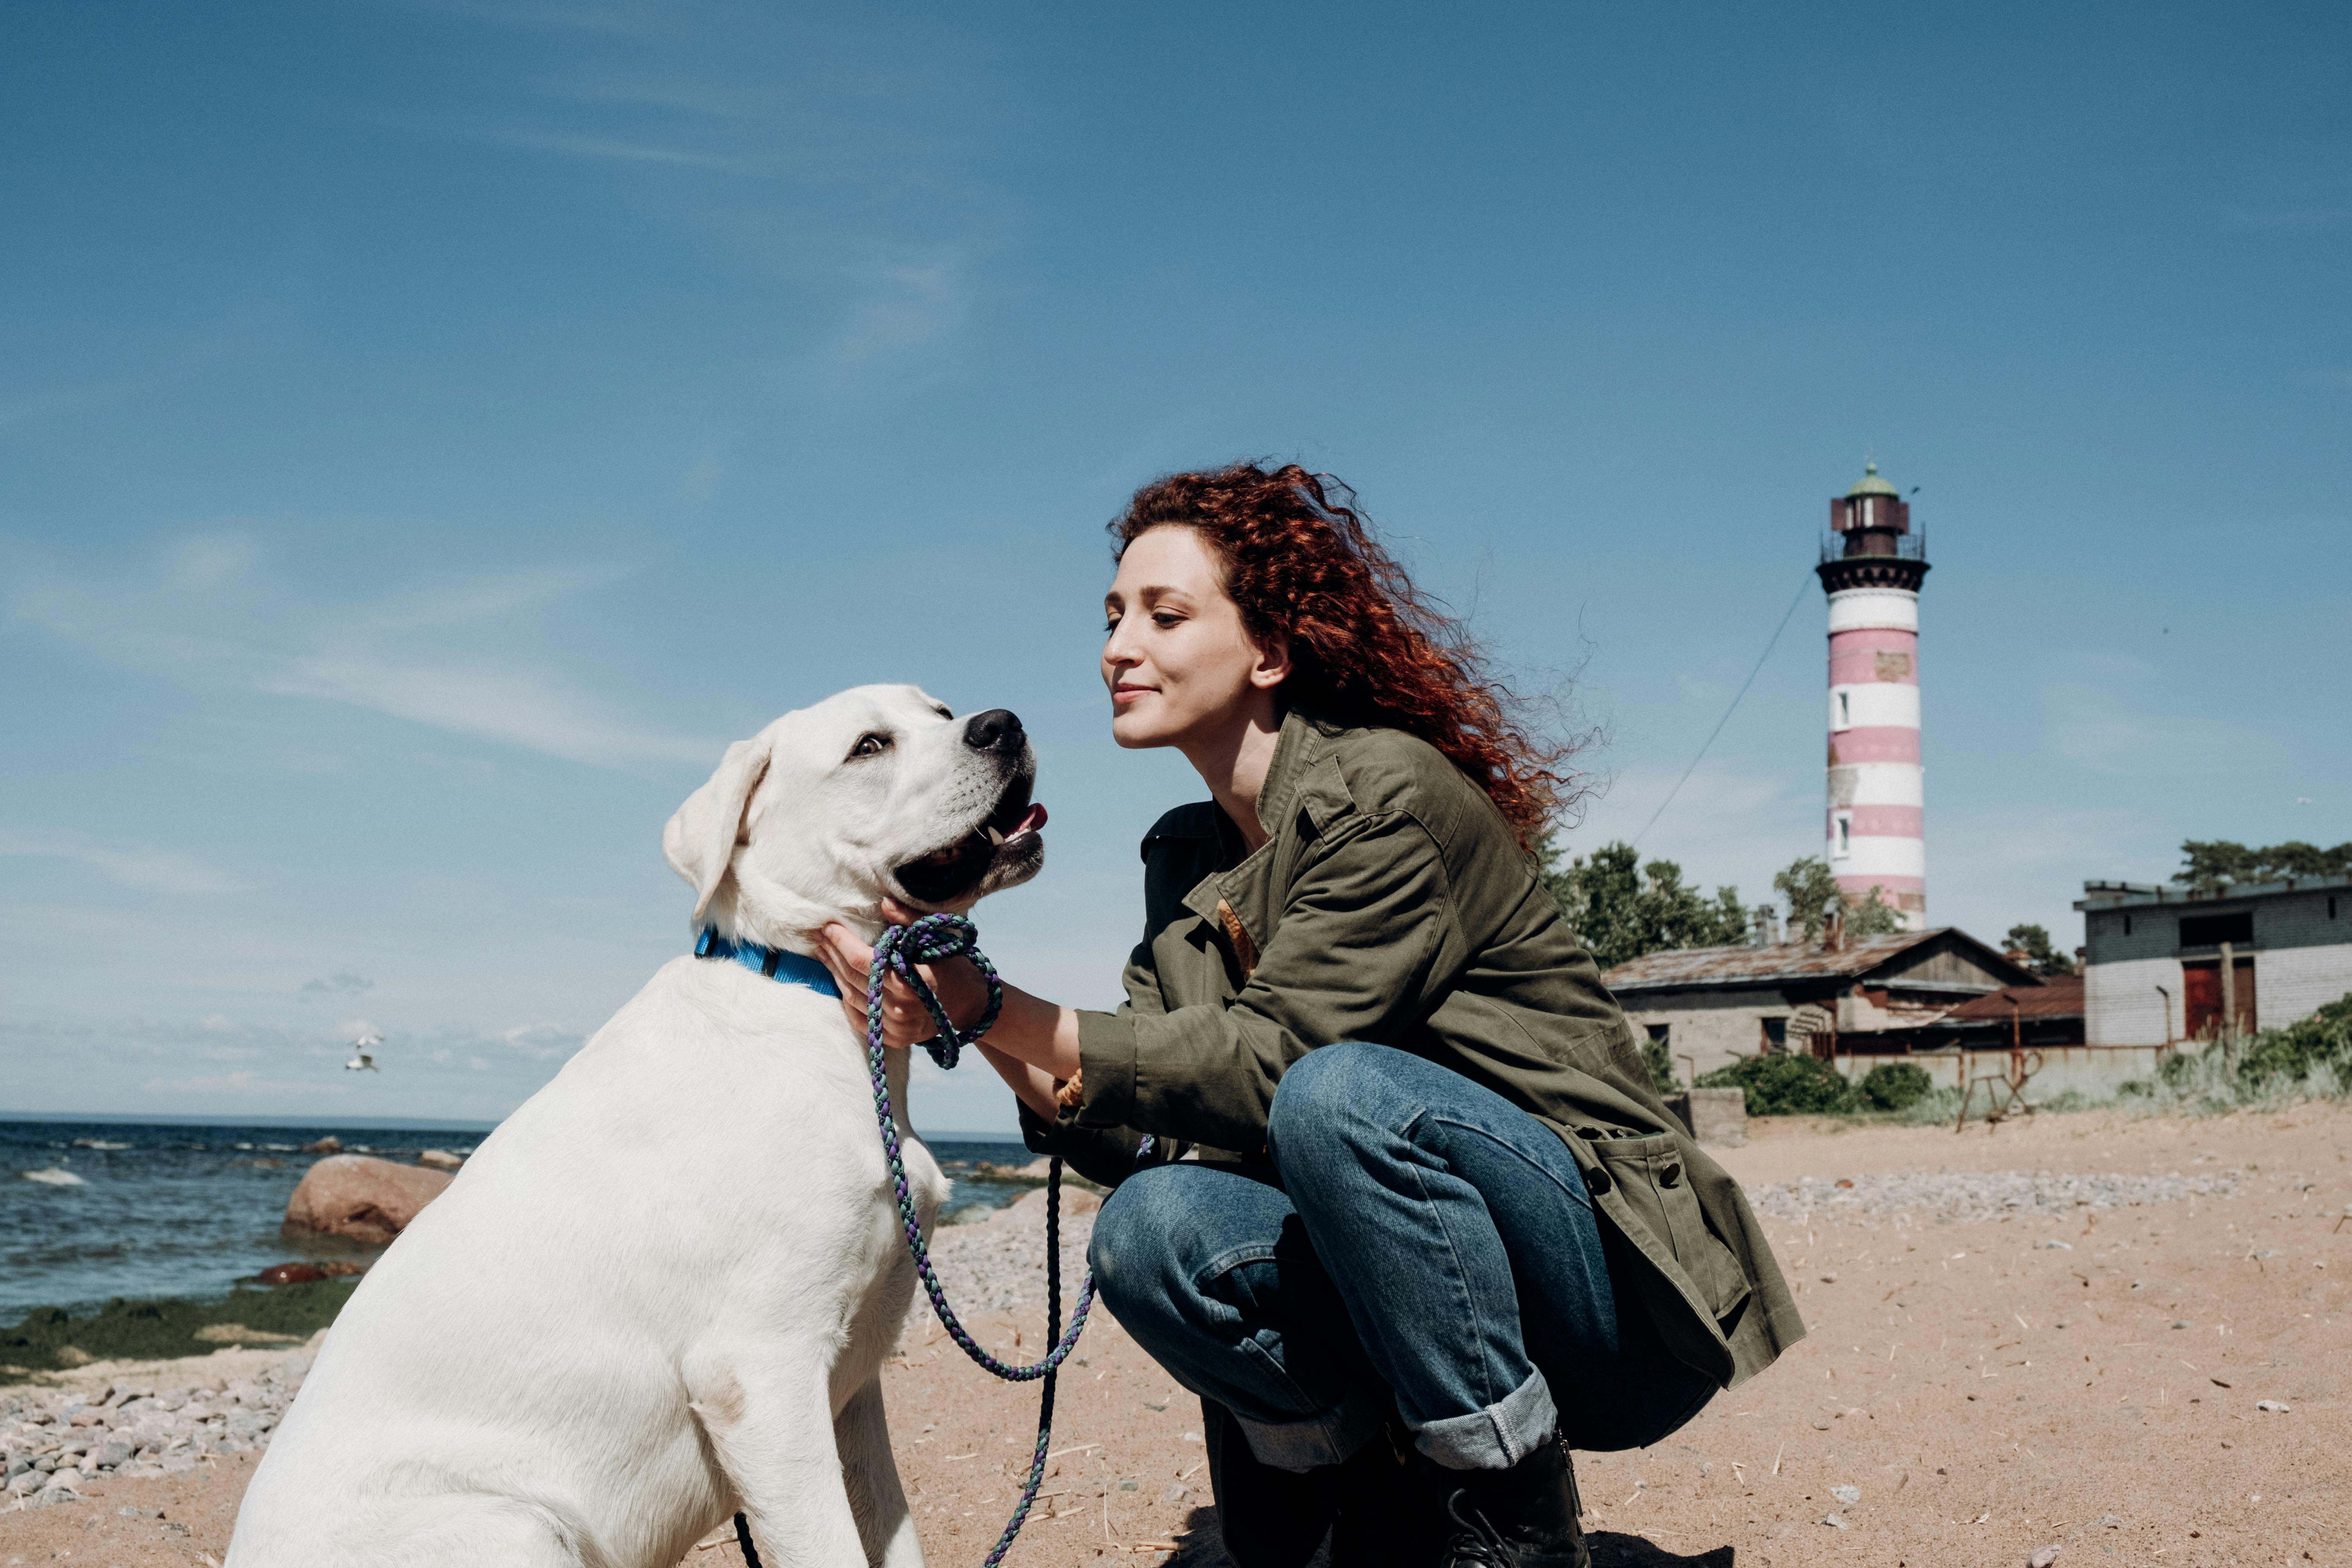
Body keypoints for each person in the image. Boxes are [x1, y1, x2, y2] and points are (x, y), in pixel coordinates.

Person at [817, 463, 1803, 1568]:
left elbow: (1272, 1065)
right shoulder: (1189, 856)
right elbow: (1142, 1129)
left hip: (1613, 1306)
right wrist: (973, 1014)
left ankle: (1513, 1527)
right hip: (1420, 1289)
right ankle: (1360, 1511)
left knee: (1338, 1096)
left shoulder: (1386, 798)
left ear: (1271, 652)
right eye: (1111, 617)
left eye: (1163, 615)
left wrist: (991, 1004)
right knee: (1148, 1229)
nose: (1116, 649)